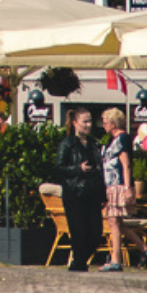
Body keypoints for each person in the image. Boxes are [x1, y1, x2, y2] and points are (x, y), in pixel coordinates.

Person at [56, 108, 106, 273]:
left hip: (92, 191)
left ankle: (79, 261)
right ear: (75, 123)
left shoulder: (94, 143)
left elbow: (100, 167)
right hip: (75, 192)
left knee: (96, 233)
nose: (88, 125)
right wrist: (78, 169)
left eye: (90, 121)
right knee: (79, 231)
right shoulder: (67, 144)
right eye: (84, 121)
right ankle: (79, 264)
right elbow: (59, 167)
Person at [102, 107, 134, 272]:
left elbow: (126, 164)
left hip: (119, 185)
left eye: (106, 122)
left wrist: (128, 188)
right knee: (118, 222)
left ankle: (116, 260)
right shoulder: (112, 140)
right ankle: (144, 249)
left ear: (113, 123)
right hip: (111, 185)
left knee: (113, 221)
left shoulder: (122, 139)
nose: (103, 125)